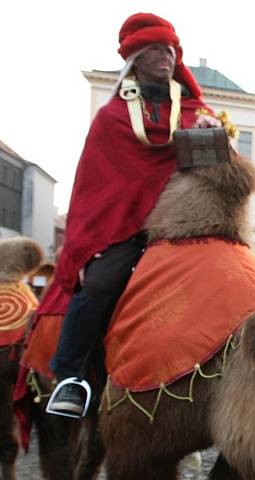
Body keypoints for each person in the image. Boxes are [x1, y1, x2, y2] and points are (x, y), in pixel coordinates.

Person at [45, 13, 218, 417]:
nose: (166, 57)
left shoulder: (196, 110)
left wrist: (212, 135)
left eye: (171, 50)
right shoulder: (111, 118)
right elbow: (95, 187)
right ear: (136, 58)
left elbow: (213, 168)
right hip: (126, 229)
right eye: (156, 49)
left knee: (229, 279)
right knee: (102, 283)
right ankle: (70, 378)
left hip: (182, 223)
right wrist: (86, 252)